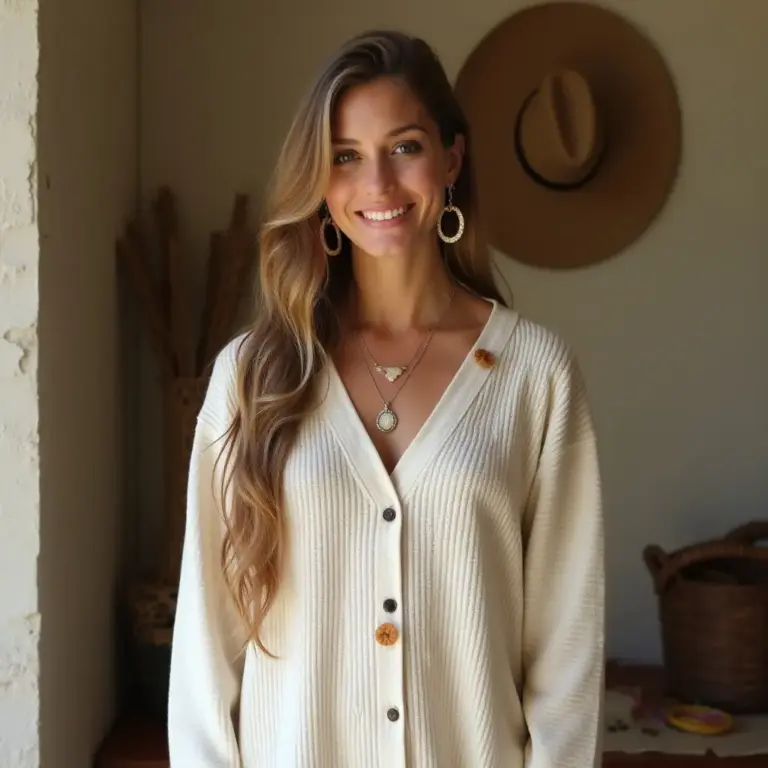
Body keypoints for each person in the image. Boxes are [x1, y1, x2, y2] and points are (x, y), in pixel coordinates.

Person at [168, 29, 604, 768]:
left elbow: (566, 659)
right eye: (345, 156)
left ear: (451, 159)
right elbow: (206, 657)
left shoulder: (535, 376)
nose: (378, 184)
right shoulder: (253, 377)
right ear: (320, 180)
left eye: (404, 146)